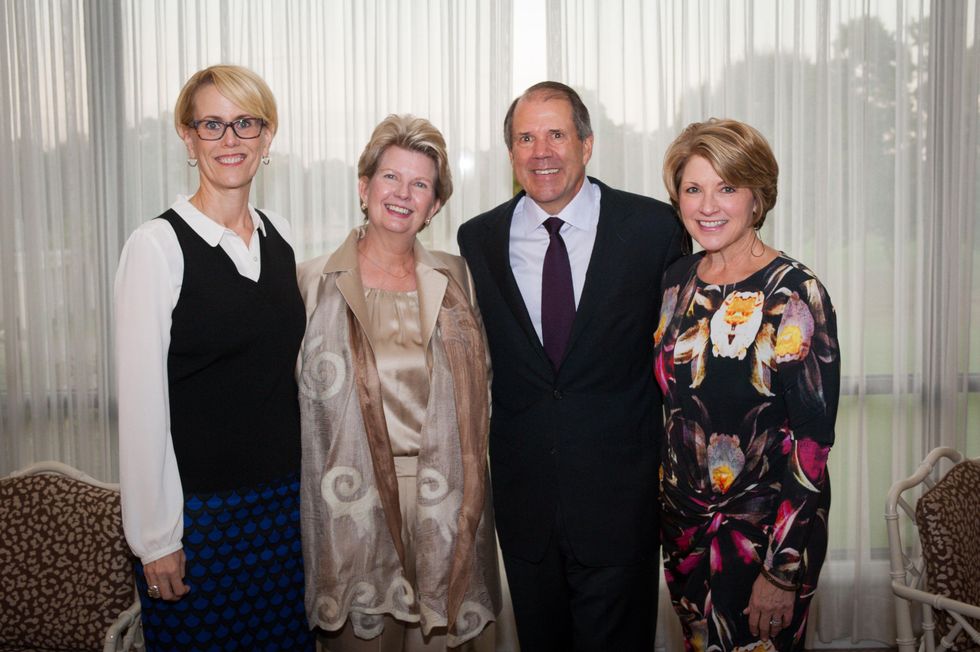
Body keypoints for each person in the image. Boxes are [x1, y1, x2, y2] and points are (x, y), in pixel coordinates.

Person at [456, 81, 685, 650]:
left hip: (620, 504)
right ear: (510, 152)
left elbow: (681, 359)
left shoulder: (655, 229)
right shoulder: (477, 239)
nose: (541, 152)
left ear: (586, 143)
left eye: (556, 135)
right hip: (526, 507)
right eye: (525, 138)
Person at [114, 65, 313, 649]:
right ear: (188, 135)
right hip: (200, 520)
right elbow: (143, 405)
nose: (230, 139)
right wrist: (157, 539)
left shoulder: (279, 235)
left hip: (285, 508)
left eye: (245, 123)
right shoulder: (156, 246)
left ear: (267, 135)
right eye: (212, 124)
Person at [296, 114, 499, 651]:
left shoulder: (457, 278)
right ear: (364, 187)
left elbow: (485, 389)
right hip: (349, 507)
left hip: (446, 502)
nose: (403, 194)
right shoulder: (311, 282)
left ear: (434, 205)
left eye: (420, 184)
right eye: (390, 177)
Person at [655, 118, 840, 651]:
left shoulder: (796, 293)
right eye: (693, 189)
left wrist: (781, 570)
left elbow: (813, 442)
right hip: (685, 531)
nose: (708, 206)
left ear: (757, 198)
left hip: (763, 540)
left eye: (727, 188)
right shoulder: (677, 281)